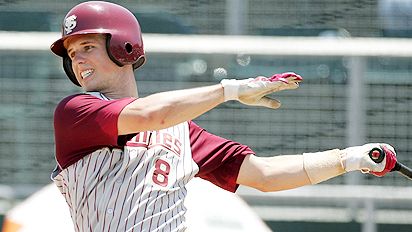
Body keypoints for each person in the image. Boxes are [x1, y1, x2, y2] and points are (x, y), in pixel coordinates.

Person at [50, 1, 398, 232]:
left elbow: (264, 175)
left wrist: (347, 158)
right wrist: (229, 90)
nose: (78, 59)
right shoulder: (74, 113)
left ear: (124, 46)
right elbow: (150, 115)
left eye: (87, 47)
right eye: (72, 53)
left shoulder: (180, 131)